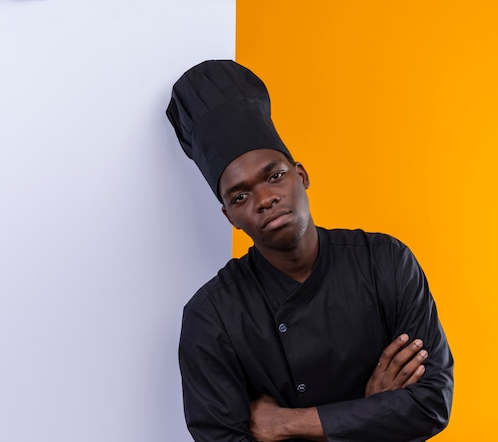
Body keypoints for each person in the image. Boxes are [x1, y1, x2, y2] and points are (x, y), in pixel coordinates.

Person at [166, 60, 454, 442]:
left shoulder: (385, 262)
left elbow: (431, 403)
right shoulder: (211, 318)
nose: (265, 199)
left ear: (301, 175)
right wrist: (373, 413)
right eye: (240, 195)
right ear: (229, 216)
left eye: (274, 176)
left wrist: (286, 423)